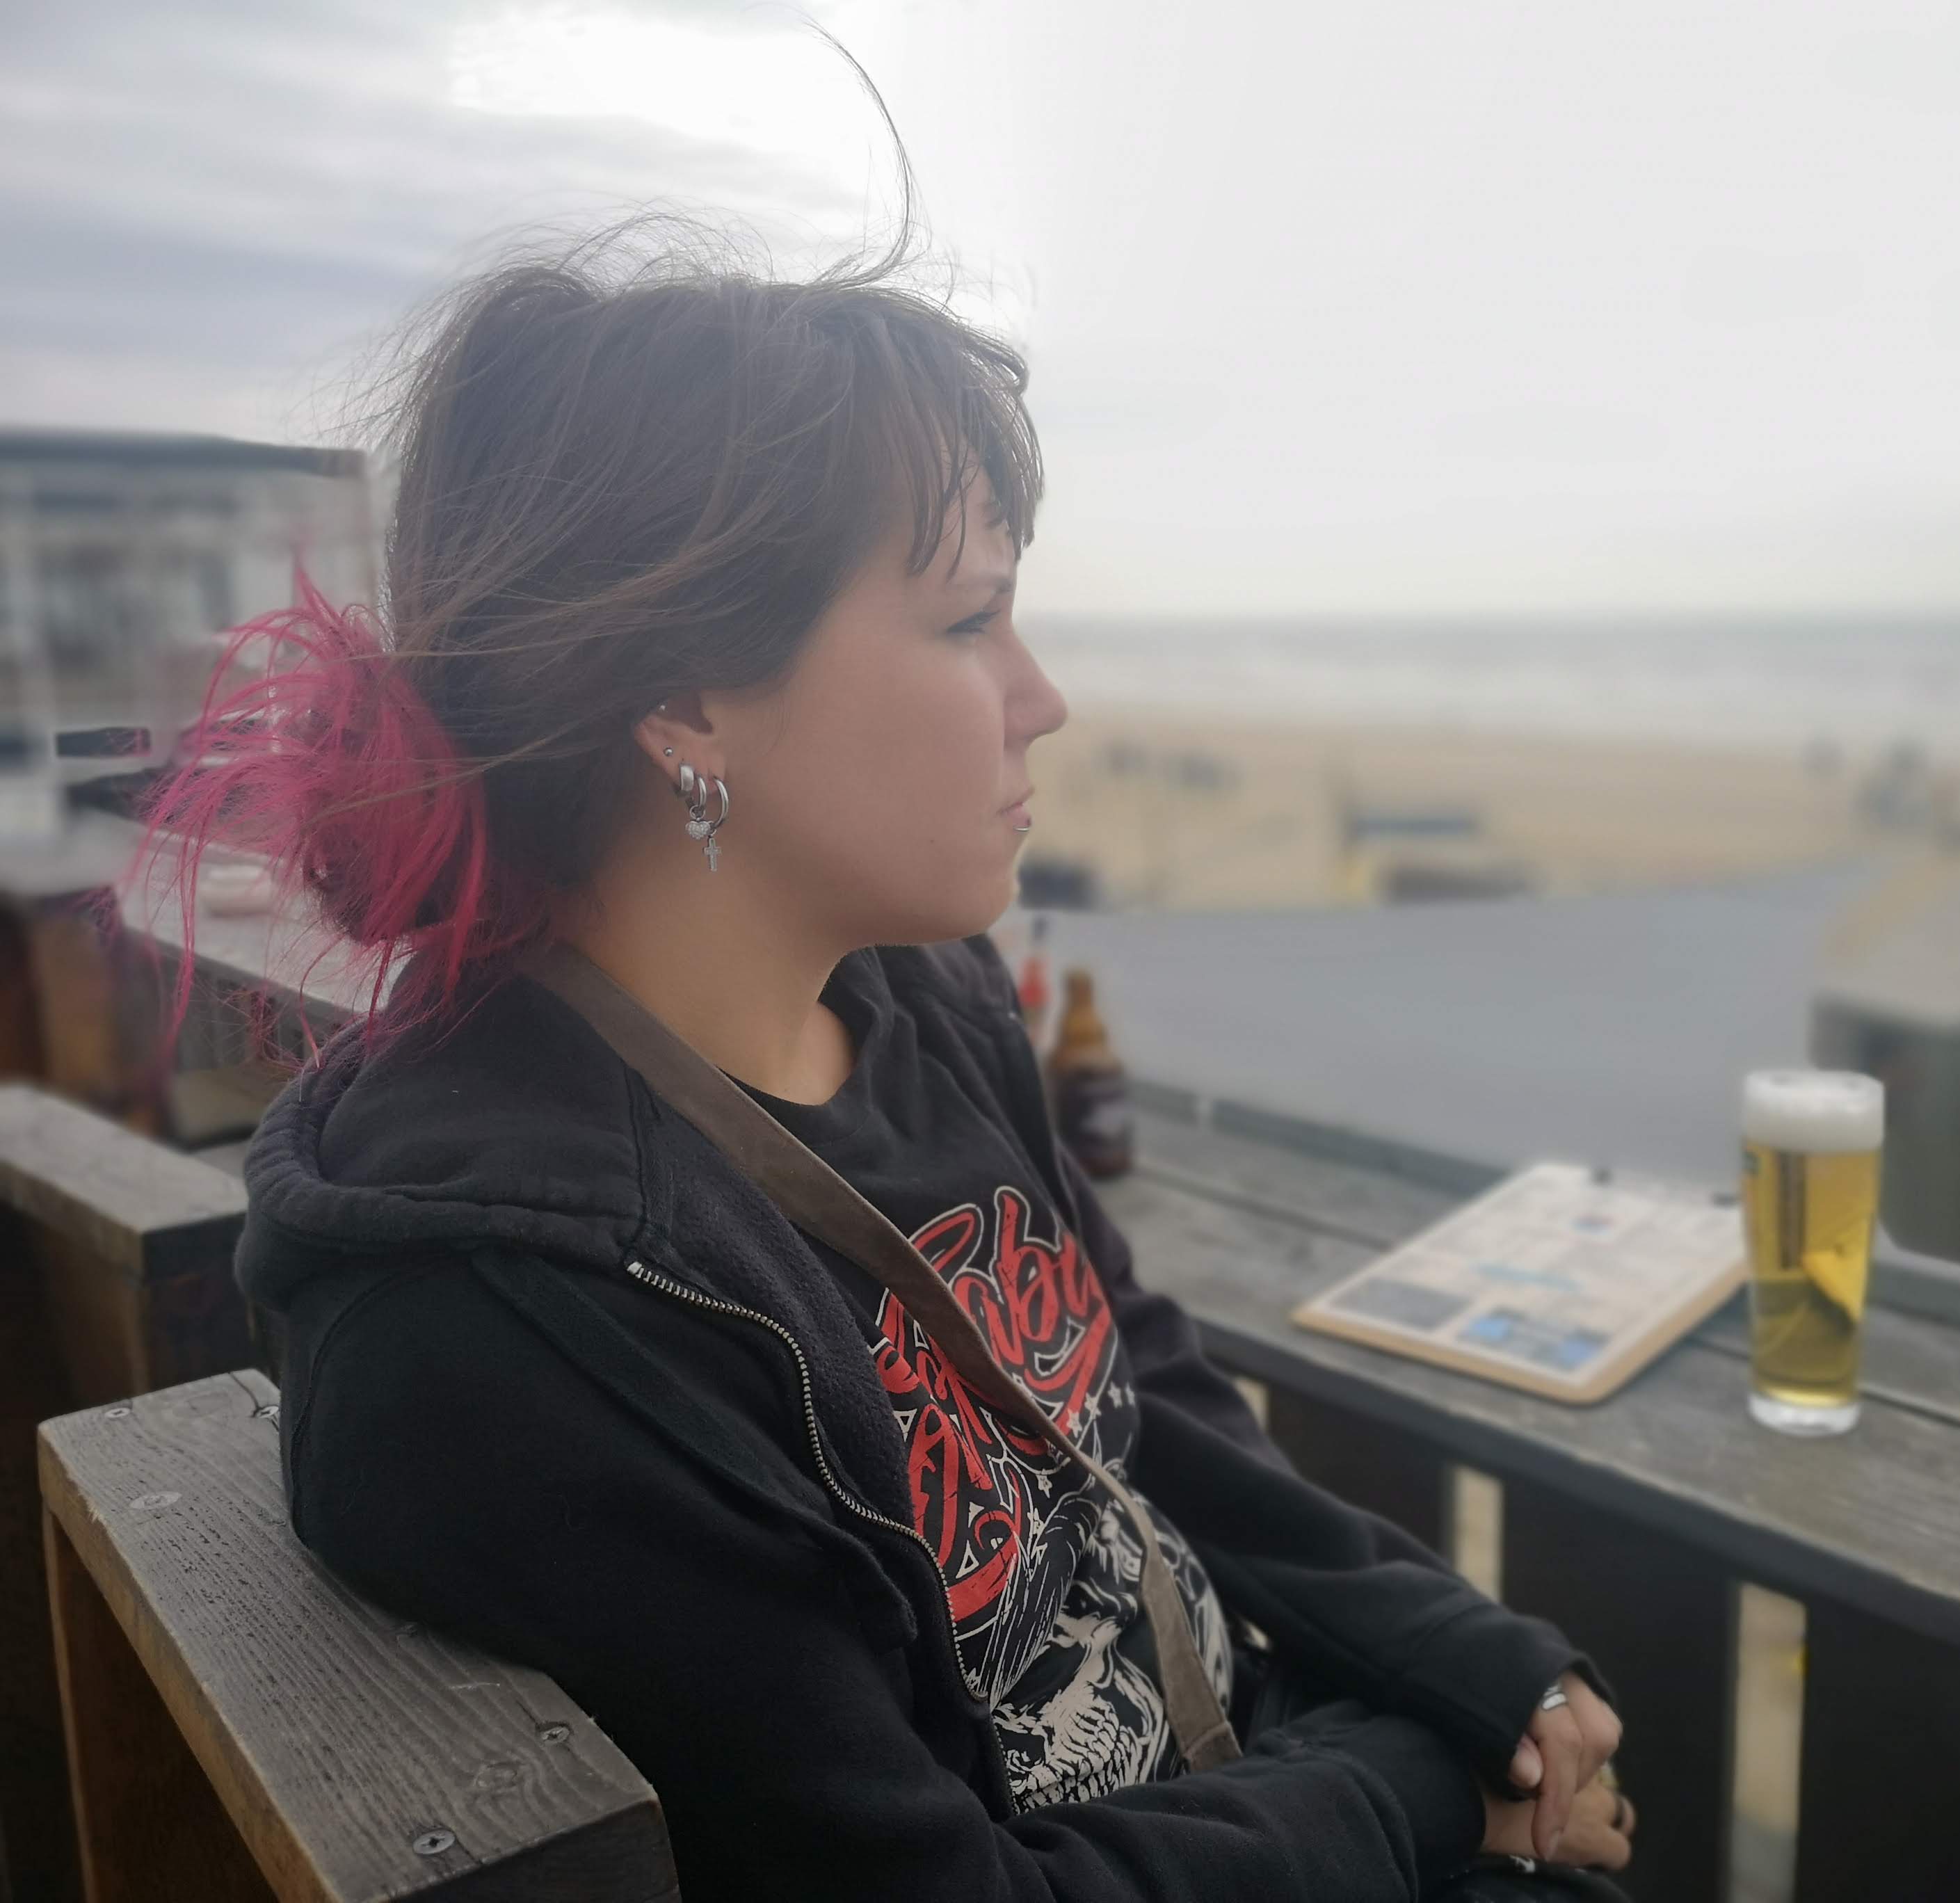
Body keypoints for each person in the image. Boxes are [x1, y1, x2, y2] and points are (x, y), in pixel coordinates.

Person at [140, 194, 1634, 1901]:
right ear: (688, 698)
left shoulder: (916, 1002)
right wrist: (1426, 1788)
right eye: (968, 620)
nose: (1042, 698)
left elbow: (1129, 1374)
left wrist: (1465, 1661)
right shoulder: (519, 1314)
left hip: (1258, 1772)